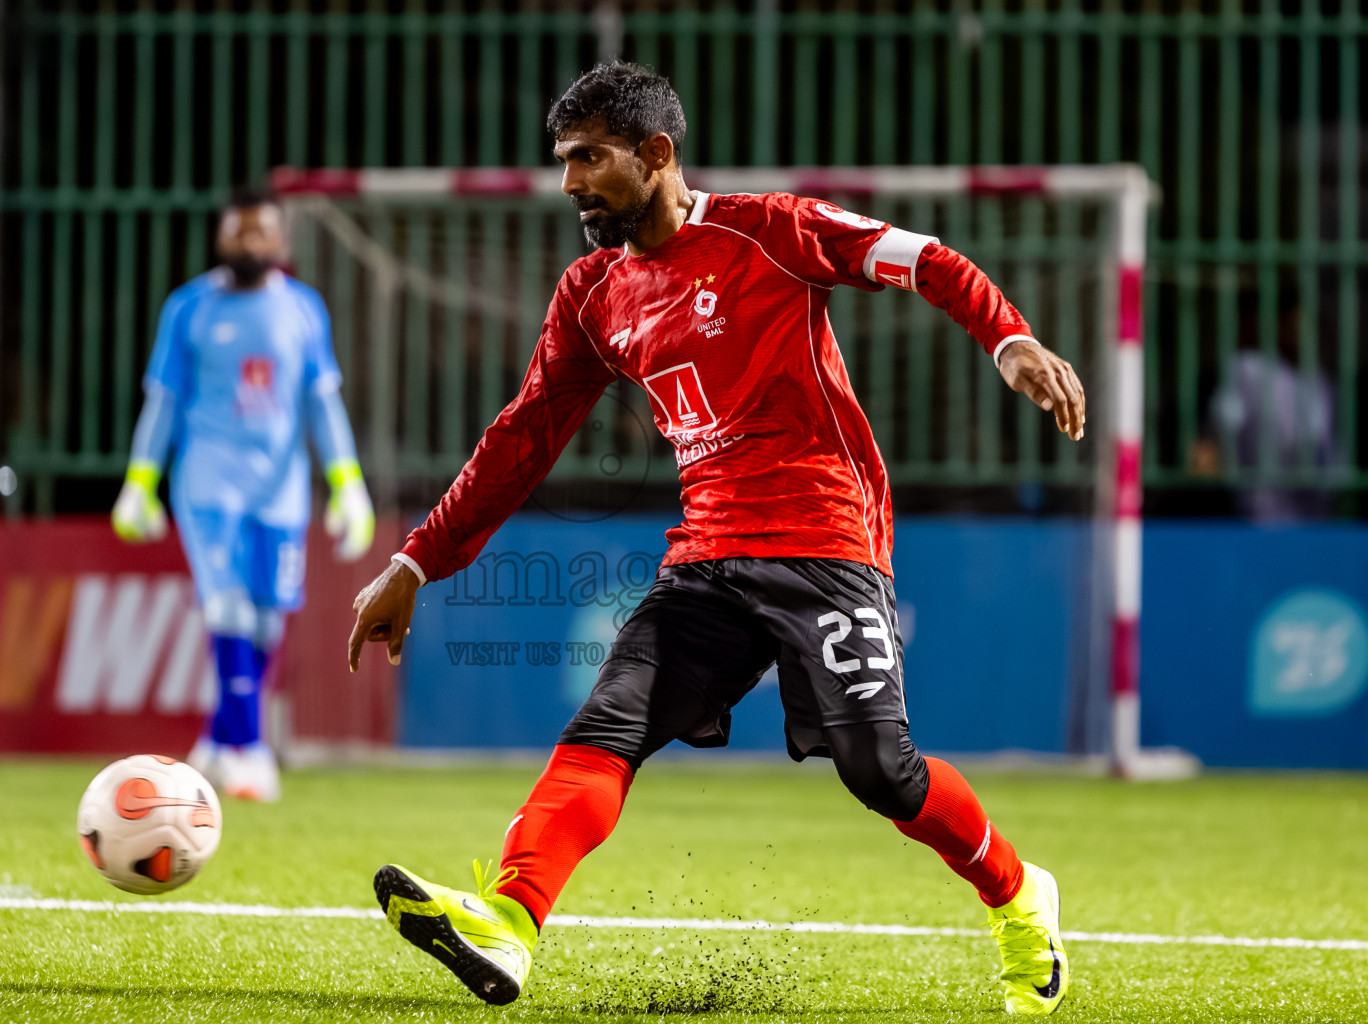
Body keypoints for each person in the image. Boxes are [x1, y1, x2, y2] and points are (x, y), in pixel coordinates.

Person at [350, 63, 1085, 1015]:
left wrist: (1009, 338)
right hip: (705, 554)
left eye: (590, 159)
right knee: (603, 731)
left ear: (657, 155)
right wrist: (417, 561)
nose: (570, 182)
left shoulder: (773, 231)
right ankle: (509, 921)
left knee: (881, 771)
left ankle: (1022, 895)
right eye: (563, 161)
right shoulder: (592, 294)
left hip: (827, 537)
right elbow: (521, 438)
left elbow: (926, 258)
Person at [113, 185, 375, 802]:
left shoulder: (304, 311)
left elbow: (321, 402)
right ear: (220, 236)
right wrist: (139, 483)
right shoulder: (188, 308)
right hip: (208, 483)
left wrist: (347, 484)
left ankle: (216, 738)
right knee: (227, 609)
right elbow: (165, 401)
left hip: (280, 493)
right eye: (237, 231)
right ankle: (252, 751)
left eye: (260, 232)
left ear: (281, 241)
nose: (248, 242)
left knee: (265, 623)